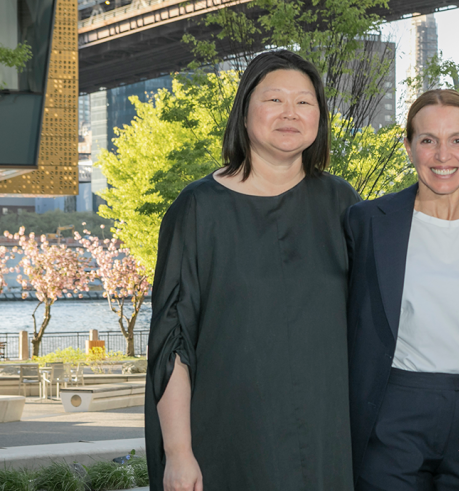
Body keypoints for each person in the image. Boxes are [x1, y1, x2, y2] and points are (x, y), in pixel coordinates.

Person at [145, 50, 361, 491]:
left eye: (305, 102)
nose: (290, 113)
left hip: (328, 442)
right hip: (228, 441)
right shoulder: (198, 208)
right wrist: (179, 454)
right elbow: (173, 343)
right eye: (274, 100)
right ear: (244, 112)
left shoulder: (343, 204)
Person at [344, 89, 459, 491]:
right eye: (428, 140)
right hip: (393, 413)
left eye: (457, 140)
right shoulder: (368, 222)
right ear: (409, 146)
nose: (443, 156)